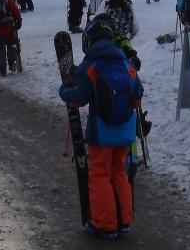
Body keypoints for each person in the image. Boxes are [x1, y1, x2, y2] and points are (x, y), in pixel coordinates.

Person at [59, 16, 144, 240]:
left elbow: (78, 97)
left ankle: (104, 224)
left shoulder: (91, 65)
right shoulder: (125, 63)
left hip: (102, 133)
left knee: (100, 175)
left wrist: (64, 92)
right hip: (125, 132)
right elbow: (137, 94)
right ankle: (124, 220)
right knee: (119, 173)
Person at [98, 0, 140, 68]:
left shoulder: (106, 3)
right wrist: (128, 36)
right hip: (124, 43)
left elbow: (97, 20)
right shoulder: (129, 5)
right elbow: (136, 27)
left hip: (105, 42)